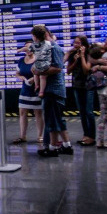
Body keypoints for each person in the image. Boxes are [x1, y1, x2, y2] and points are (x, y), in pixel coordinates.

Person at [32, 25, 72, 156]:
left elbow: (58, 67)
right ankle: (66, 145)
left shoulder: (53, 48)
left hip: (53, 90)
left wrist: (39, 71)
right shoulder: (49, 48)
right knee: (57, 119)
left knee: (52, 120)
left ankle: (53, 147)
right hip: (54, 89)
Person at [66, 35, 96, 146]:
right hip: (77, 85)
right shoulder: (73, 54)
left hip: (88, 85)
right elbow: (68, 70)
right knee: (82, 112)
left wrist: (82, 56)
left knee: (89, 111)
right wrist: (75, 61)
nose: (75, 45)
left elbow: (85, 70)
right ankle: (86, 134)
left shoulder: (89, 54)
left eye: (78, 43)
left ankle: (92, 136)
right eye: (74, 42)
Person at [12, 41, 45, 144]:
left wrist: (33, 79)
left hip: (36, 90)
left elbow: (42, 72)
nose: (27, 50)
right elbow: (17, 73)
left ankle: (40, 136)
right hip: (25, 90)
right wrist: (20, 77)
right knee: (22, 113)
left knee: (38, 113)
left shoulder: (38, 59)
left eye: (29, 48)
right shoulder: (21, 60)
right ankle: (23, 136)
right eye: (25, 48)